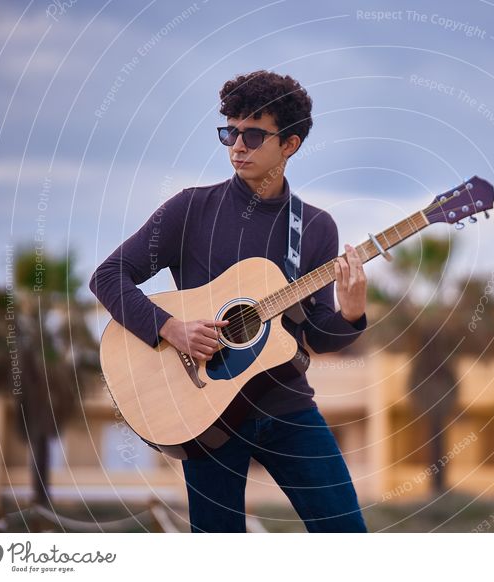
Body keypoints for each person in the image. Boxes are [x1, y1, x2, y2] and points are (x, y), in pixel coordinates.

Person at [89, 69, 368, 532]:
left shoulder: (316, 228)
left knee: (346, 533)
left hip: (286, 407)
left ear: (290, 144)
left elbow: (317, 335)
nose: (237, 145)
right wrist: (169, 326)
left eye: (253, 134)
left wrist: (352, 312)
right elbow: (108, 275)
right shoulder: (190, 209)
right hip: (203, 414)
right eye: (230, 132)